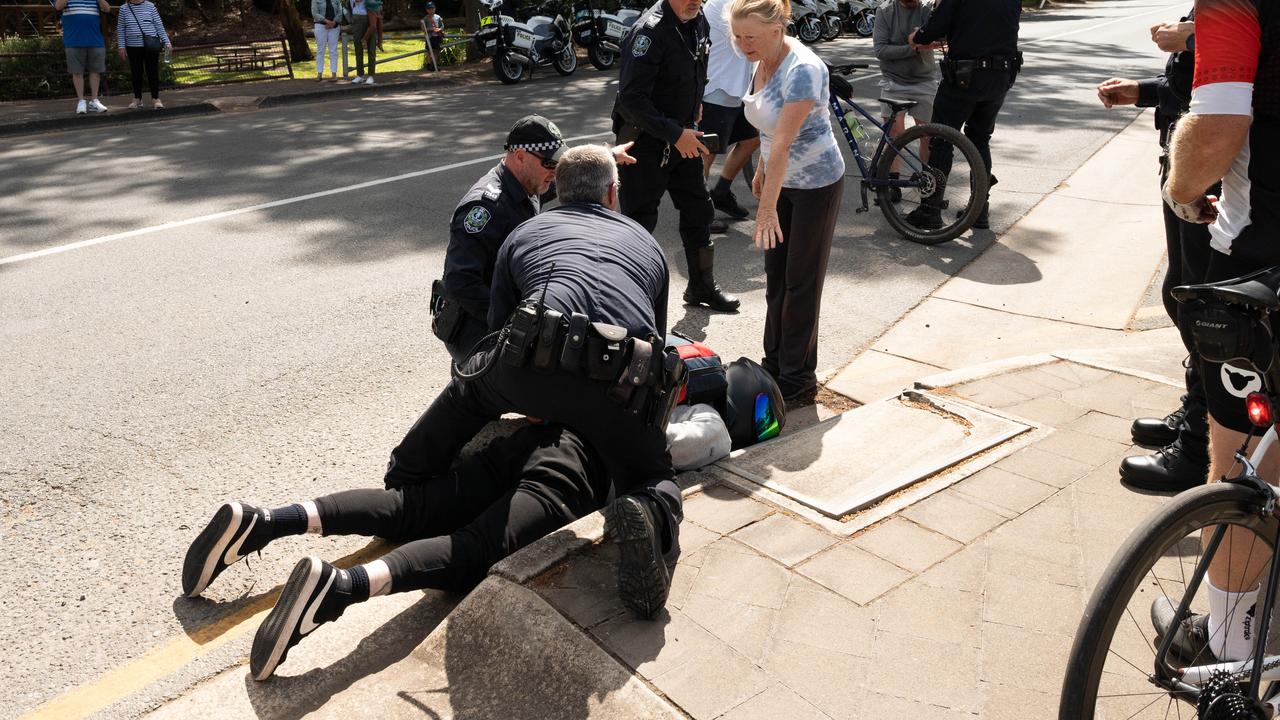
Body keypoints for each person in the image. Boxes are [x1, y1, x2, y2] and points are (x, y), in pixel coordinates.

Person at [183, 423, 613, 680]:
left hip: (536, 435)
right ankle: (340, 587)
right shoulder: (662, 395)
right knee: (475, 551)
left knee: (412, 509)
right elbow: (658, 482)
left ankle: (269, 521)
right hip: (580, 466)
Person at [1146, 0, 1279, 665]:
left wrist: (1180, 187)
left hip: (1263, 265)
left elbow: (1221, 122)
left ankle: (1228, 651)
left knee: (1244, 454)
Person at [1096, 11, 1212, 493]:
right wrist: (1142, 92)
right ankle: (1199, 408)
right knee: (1183, 295)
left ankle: (1202, 441)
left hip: (1216, 171)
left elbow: (1240, 77)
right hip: (1189, 166)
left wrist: (1193, 36)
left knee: (1207, 309)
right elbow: (1193, 86)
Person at [433, 115, 635, 363]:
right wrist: (508, 321)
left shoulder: (527, 183)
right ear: (520, 156)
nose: (555, 172)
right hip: (476, 331)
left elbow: (574, 182)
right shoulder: (486, 207)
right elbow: (460, 280)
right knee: (491, 393)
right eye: (550, 164)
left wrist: (608, 157)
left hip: (502, 319)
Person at [730, 0, 844, 403]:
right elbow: (766, 126)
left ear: (777, 29)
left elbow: (783, 142)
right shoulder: (759, 58)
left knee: (801, 282)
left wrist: (765, 209)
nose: (743, 45)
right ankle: (774, 364)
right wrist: (760, 172)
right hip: (779, 179)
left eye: (751, 38)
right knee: (776, 279)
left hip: (815, 184)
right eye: (738, 36)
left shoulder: (804, 70)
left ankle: (798, 380)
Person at [614, 0, 741, 313]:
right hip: (644, 143)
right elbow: (631, 99)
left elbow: (697, 67)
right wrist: (675, 133)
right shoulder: (649, 32)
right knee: (639, 220)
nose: (696, 1)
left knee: (699, 209)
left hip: (684, 137)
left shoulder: (697, 20)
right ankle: (627, 297)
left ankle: (700, 286)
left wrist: (694, 106)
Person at [906, 0, 1021, 230]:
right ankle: (979, 210)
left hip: (965, 76)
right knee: (980, 139)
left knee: (941, 139)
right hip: (1001, 75)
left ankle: (931, 209)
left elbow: (935, 29)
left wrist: (917, 37)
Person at [873, 0, 940, 203]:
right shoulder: (885, 11)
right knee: (894, 135)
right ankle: (892, 184)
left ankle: (927, 182)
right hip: (893, 81)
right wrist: (914, 47)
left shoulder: (927, 10)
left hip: (924, 80)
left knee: (928, 135)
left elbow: (941, 38)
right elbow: (881, 50)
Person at [700, 0, 761, 222]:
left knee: (752, 139)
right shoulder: (725, 5)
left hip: (737, 89)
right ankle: (699, 215)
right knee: (707, 153)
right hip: (717, 88)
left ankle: (721, 192)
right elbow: (760, 35)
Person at [56, 0, 110, 115]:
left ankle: (94, 100)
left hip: (95, 39)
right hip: (73, 40)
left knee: (96, 71)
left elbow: (107, 8)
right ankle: (81, 101)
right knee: (77, 72)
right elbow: (58, 6)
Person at [116, 0, 171, 110]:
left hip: (150, 45)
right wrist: (121, 46)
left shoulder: (150, 6)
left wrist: (167, 41)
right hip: (133, 46)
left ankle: (156, 98)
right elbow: (121, 28)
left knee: (152, 72)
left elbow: (159, 25)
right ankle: (137, 98)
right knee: (136, 72)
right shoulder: (124, 8)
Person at [312, 0, 347, 82]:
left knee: (333, 50)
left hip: (334, 27)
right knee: (321, 50)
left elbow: (340, 12)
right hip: (320, 26)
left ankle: (334, 74)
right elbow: (314, 13)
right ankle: (319, 74)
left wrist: (333, 23)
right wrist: (327, 21)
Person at [349, 0, 377, 84]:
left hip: (370, 19)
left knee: (371, 49)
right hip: (357, 20)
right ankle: (360, 75)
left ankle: (371, 75)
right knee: (358, 49)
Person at [422, 0, 445, 69]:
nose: (431, 10)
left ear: (435, 8)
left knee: (436, 51)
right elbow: (423, 28)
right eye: (429, 9)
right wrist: (431, 29)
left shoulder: (438, 17)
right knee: (429, 51)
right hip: (429, 37)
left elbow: (442, 26)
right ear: (427, 10)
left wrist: (439, 29)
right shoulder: (425, 18)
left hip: (437, 36)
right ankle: (429, 64)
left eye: (432, 8)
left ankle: (434, 65)